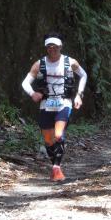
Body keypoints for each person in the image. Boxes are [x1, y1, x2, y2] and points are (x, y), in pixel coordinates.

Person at [21, 32, 87, 181]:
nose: (52, 49)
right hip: (46, 104)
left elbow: (83, 75)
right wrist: (32, 94)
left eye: (55, 46)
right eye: (49, 47)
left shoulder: (70, 62)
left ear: (60, 46)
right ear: (46, 48)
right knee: (49, 140)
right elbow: (25, 83)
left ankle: (56, 168)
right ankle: (55, 168)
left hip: (64, 103)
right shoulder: (39, 64)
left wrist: (79, 94)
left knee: (58, 135)